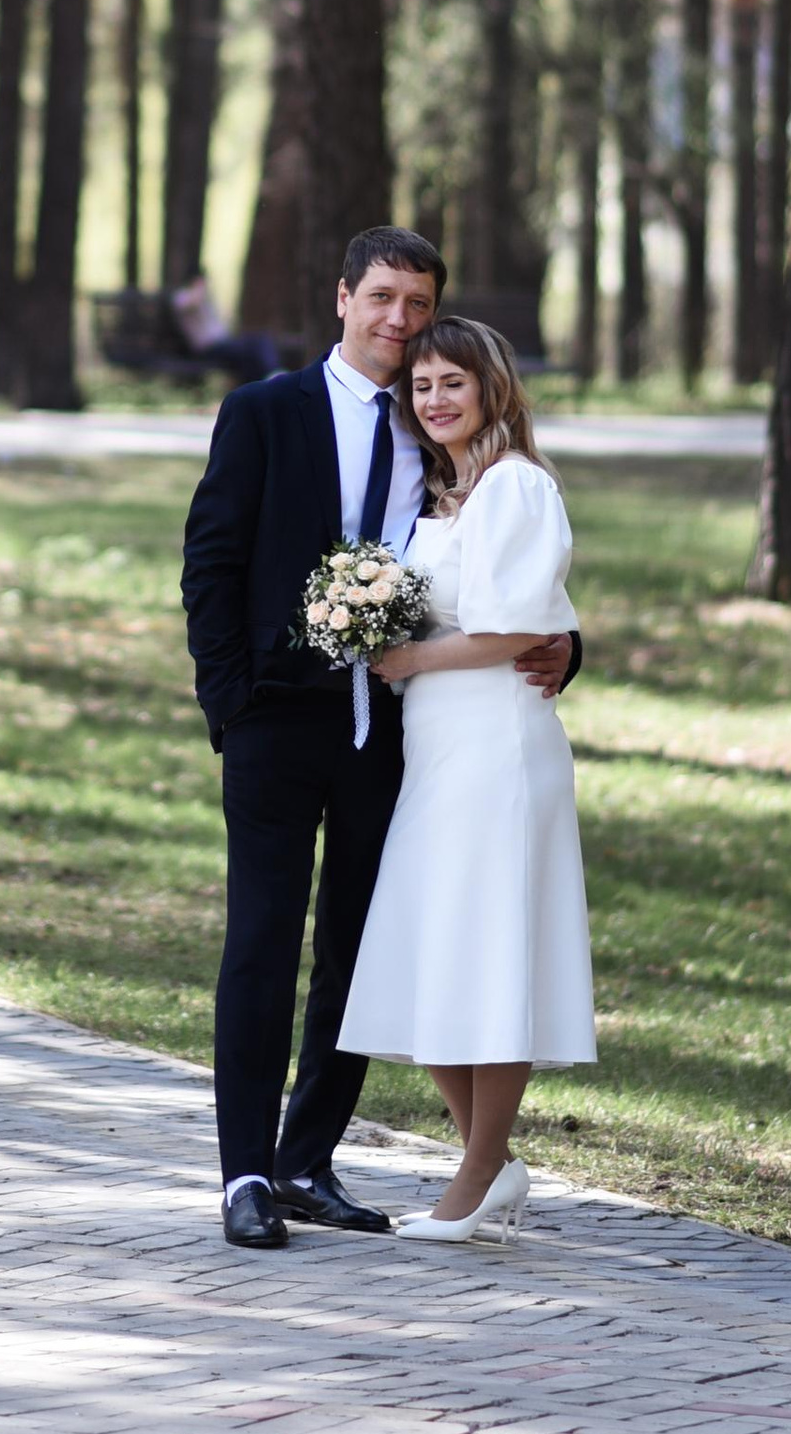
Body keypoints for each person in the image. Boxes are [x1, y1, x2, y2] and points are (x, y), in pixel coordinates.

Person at [179, 229, 576, 1253]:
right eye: (383, 298)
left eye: (418, 302)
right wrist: (226, 702)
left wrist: (563, 644)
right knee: (261, 946)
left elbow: (494, 569)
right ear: (344, 296)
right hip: (273, 726)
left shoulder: (433, 431)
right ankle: (247, 1175)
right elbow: (211, 563)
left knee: (353, 955)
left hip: (391, 744)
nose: (398, 321)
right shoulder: (265, 412)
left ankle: (310, 1159)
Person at [342, 312, 593, 1245]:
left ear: (491, 386)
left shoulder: (516, 488)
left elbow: (519, 629)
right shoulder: (444, 498)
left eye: (453, 382)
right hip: (438, 752)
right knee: (430, 947)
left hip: (496, 746)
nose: (435, 399)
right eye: (421, 386)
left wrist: (410, 661)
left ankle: (479, 1173)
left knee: (490, 951)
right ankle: (492, 1162)